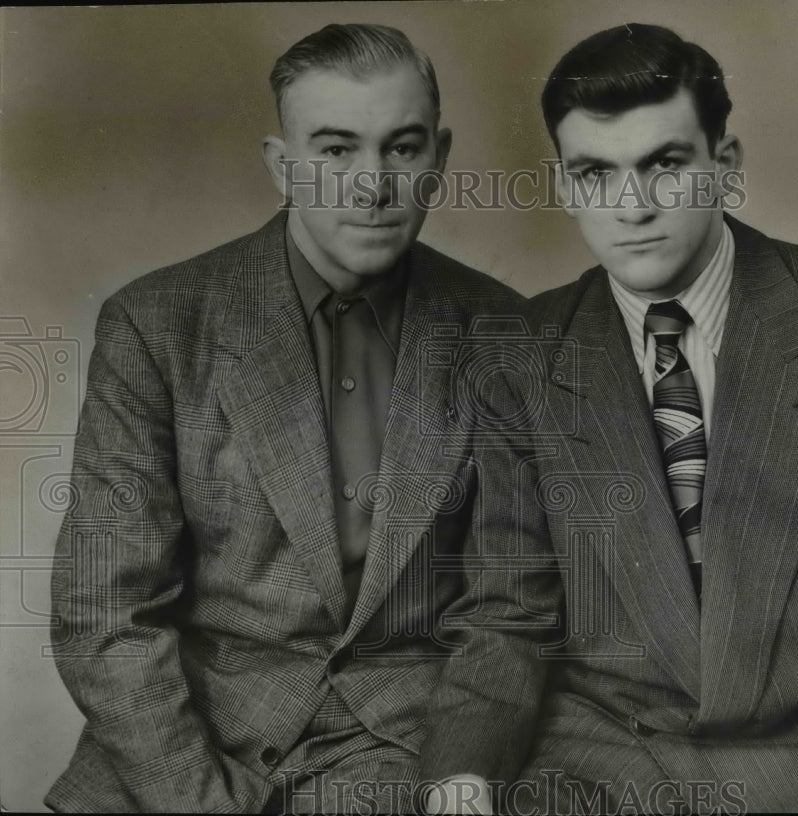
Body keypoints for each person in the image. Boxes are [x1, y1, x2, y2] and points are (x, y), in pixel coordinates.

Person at [420, 23, 798, 814]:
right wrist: (464, 776)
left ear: (725, 168)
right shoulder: (522, 354)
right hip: (592, 769)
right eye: (595, 173)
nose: (632, 207)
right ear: (565, 186)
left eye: (664, 165)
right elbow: (508, 608)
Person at [46, 22, 523, 813]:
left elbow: (508, 607)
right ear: (283, 166)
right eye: (336, 151)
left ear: (438, 159)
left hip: (405, 752)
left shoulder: (505, 333)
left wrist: (459, 771)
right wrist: (200, 800)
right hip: (182, 743)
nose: (372, 185)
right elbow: (103, 615)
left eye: (401, 149)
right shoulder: (158, 325)